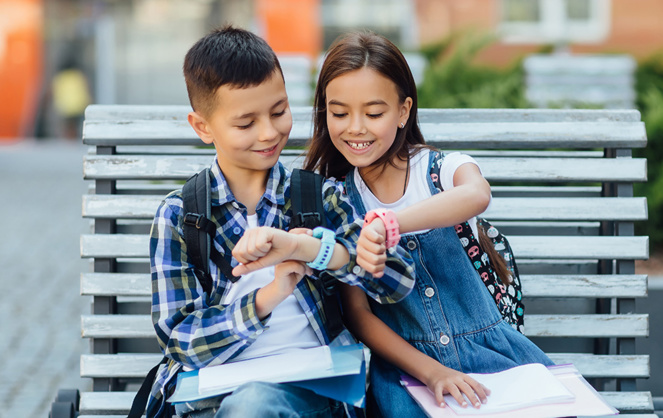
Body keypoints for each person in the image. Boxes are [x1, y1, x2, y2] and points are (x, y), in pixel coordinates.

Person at [147, 26, 416, 418]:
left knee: (258, 404)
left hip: (315, 395)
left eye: (279, 112)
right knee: (252, 404)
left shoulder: (316, 197)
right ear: (203, 126)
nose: (270, 132)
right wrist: (268, 298)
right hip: (211, 400)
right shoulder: (180, 216)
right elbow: (179, 340)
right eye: (246, 124)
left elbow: (397, 281)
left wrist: (316, 251)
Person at [304, 31, 554, 417]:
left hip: (494, 356)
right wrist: (433, 372)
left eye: (373, 113)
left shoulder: (438, 170)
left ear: (403, 111)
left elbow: (477, 194)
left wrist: (390, 223)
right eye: (339, 113)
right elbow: (359, 315)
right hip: (409, 373)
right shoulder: (337, 202)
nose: (355, 128)